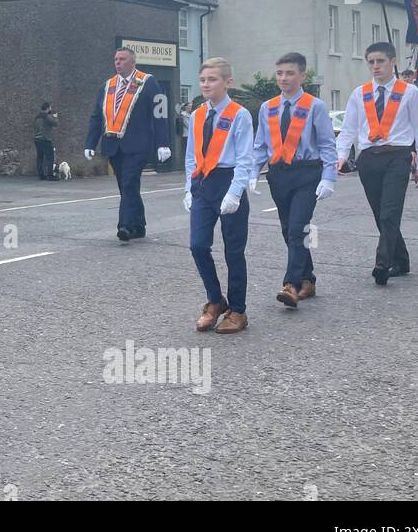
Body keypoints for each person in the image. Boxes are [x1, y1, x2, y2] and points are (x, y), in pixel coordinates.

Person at [335, 41, 418, 286]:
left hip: (398, 156)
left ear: (393, 61)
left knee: (390, 212)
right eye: (371, 62)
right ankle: (401, 258)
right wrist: (341, 155)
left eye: (380, 61)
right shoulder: (360, 93)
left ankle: (382, 263)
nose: (375, 67)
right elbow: (349, 129)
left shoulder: (410, 92)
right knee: (380, 214)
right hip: (369, 158)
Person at [251, 53, 337, 308]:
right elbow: (260, 144)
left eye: (289, 73)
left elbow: (326, 144)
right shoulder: (268, 107)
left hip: (307, 173)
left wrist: (329, 177)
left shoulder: (315, 106)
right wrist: (253, 172)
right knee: (289, 230)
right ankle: (308, 279)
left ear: (302, 75)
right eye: (279, 73)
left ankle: (291, 284)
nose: (284, 78)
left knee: (298, 227)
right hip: (279, 174)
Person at [184, 57, 255, 334]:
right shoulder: (198, 114)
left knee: (233, 251)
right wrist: (189, 188)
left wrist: (235, 193)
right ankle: (215, 300)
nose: (206, 84)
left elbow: (245, 158)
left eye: (212, 79)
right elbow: (191, 155)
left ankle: (237, 310)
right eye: (203, 80)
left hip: (228, 181)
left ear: (228, 82)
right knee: (198, 246)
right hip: (203, 183)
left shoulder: (239, 114)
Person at [84, 47, 172, 241]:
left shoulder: (148, 82)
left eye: (122, 59)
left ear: (132, 62)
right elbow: (97, 117)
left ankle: (124, 226)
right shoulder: (108, 86)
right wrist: (90, 143)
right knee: (126, 187)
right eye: (116, 59)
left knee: (129, 182)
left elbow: (160, 113)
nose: (118, 62)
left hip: (138, 145)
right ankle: (139, 225)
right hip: (113, 145)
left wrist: (163, 143)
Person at [34, 102, 59, 180]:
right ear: (48, 108)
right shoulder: (47, 117)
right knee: (50, 158)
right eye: (50, 108)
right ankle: (50, 176)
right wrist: (55, 117)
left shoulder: (37, 117)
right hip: (45, 139)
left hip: (37, 139)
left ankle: (41, 175)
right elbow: (55, 124)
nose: (51, 109)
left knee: (39, 158)